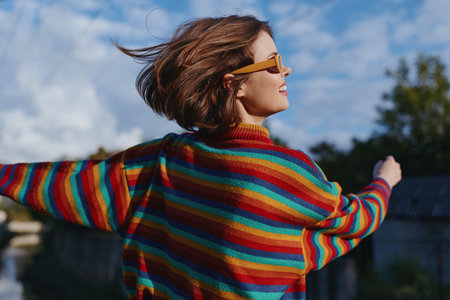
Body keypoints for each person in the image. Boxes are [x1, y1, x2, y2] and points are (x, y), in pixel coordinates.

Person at [0, 15, 401, 300]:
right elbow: (352, 222)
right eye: (275, 62)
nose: (287, 70)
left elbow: (69, 183)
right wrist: (384, 180)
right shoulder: (287, 175)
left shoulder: (162, 161)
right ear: (235, 84)